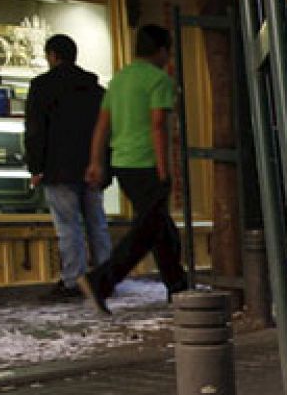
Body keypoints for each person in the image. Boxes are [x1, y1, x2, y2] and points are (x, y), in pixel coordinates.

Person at [84, 24, 188, 307]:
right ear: (163, 50)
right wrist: (165, 169)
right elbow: (158, 126)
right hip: (148, 163)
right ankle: (101, 280)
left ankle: (178, 287)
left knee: (160, 228)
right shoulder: (159, 81)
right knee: (146, 231)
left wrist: (96, 162)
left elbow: (102, 126)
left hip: (122, 163)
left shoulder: (119, 80)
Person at [25, 34, 110, 310]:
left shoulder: (42, 87)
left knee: (68, 225)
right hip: (92, 165)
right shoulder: (96, 89)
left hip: (58, 167)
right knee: (97, 222)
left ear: (52, 56)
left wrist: (35, 167)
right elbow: (107, 131)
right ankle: (105, 278)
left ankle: (74, 280)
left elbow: (35, 131)